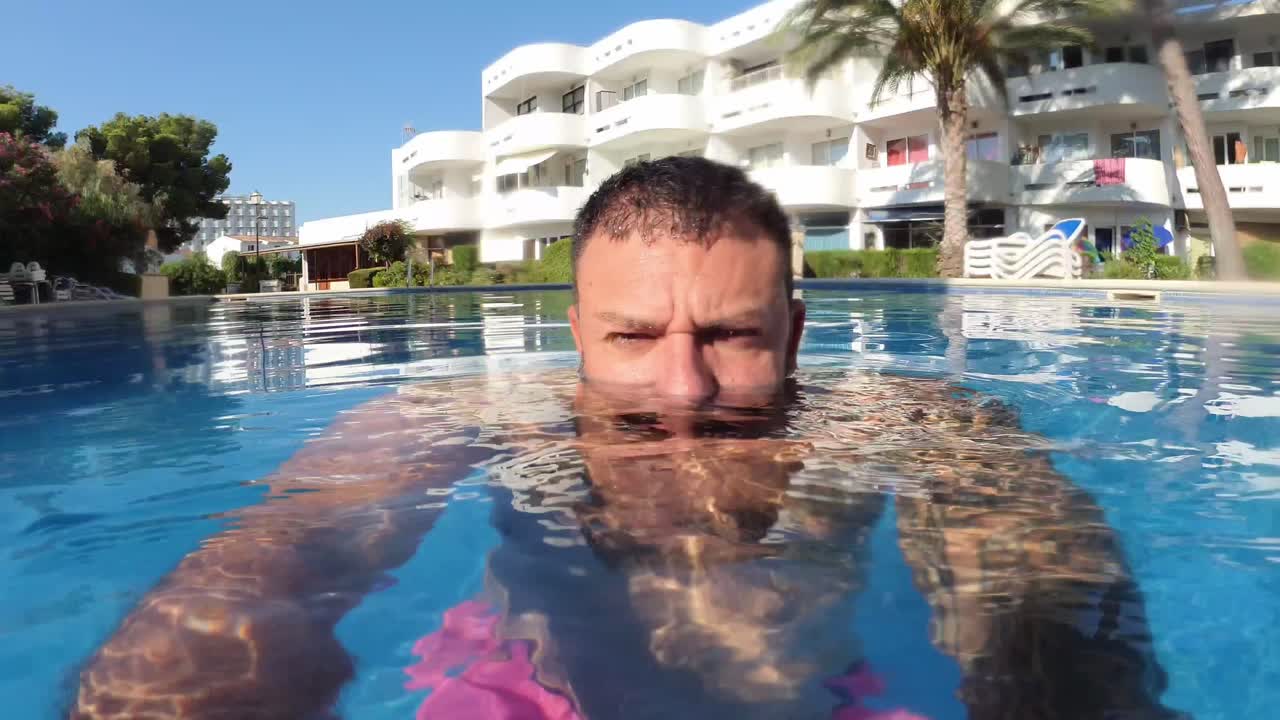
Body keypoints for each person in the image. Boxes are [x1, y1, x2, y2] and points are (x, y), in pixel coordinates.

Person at [71, 158, 1182, 720]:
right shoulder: (469, 414)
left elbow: (1044, 592)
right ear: (572, 333)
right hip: (516, 685)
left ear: (794, 330)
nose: (683, 388)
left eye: (732, 336)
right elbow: (281, 558)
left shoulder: (906, 416)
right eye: (633, 334)